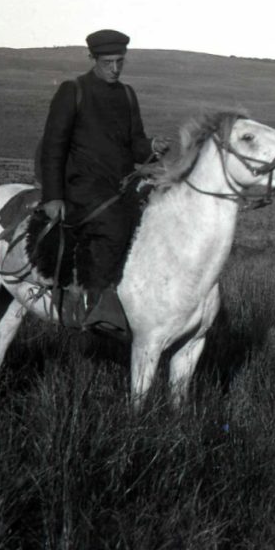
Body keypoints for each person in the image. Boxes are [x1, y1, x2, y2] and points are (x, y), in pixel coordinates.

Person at [38, 29, 170, 332]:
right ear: (92, 58)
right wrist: (53, 197)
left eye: (120, 62)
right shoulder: (73, 90)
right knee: (114, 224)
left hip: (120, 184)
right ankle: (97, 309)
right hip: (81, 186)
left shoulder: (126, 94)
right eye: (108, 62)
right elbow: (53, 147)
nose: (115, 69)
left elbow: (134, 143)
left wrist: (150, 146)